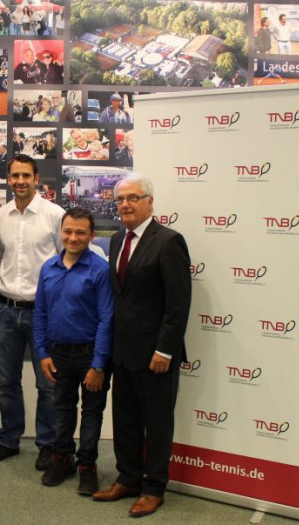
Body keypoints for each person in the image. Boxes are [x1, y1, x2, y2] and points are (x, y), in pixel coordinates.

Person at [93, 173, 191, 518]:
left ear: (150, 201)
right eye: (120, 199)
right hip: (123, 352)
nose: (125, 204)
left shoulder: (169, 241)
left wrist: (165, 350)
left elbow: (177, 304)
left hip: (155, 356)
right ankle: (129, 478)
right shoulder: (118, 240)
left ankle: (153, 488)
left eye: (133, 198)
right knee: (126, 420)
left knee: (158, 423)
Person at [0, 154, 64, 471]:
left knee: (47, 385)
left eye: (25, 176)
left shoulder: (54, 215)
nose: (19, 181)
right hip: (6, 310)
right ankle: (9, 440)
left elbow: (63, 261)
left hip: (44, 314)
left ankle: (47, 444)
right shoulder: (0, 216)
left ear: (37, 177)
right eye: (14, 175)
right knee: (7, 383)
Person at [33, 207, 113, 495]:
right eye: (68, 231)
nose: (73, 237)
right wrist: (42, 353)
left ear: (92, 235)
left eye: (81, 232)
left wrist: (99, 364)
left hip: (91, 355)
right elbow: (40, 313)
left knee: (91, 412)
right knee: (62, 409)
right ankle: (61, 458)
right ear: (60, 232)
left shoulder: (100, 269)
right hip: (57, 354)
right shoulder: (48, 268)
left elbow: (107, 318)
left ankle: (87, 466)